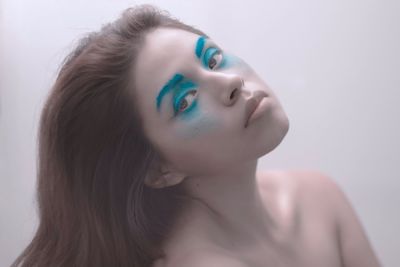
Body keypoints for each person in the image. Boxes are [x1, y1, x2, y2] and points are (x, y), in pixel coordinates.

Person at [11, 4, 381, 267]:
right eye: (186, 100)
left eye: (213, 59)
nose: (232, 82)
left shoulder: (318, 196)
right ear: (158, 169)